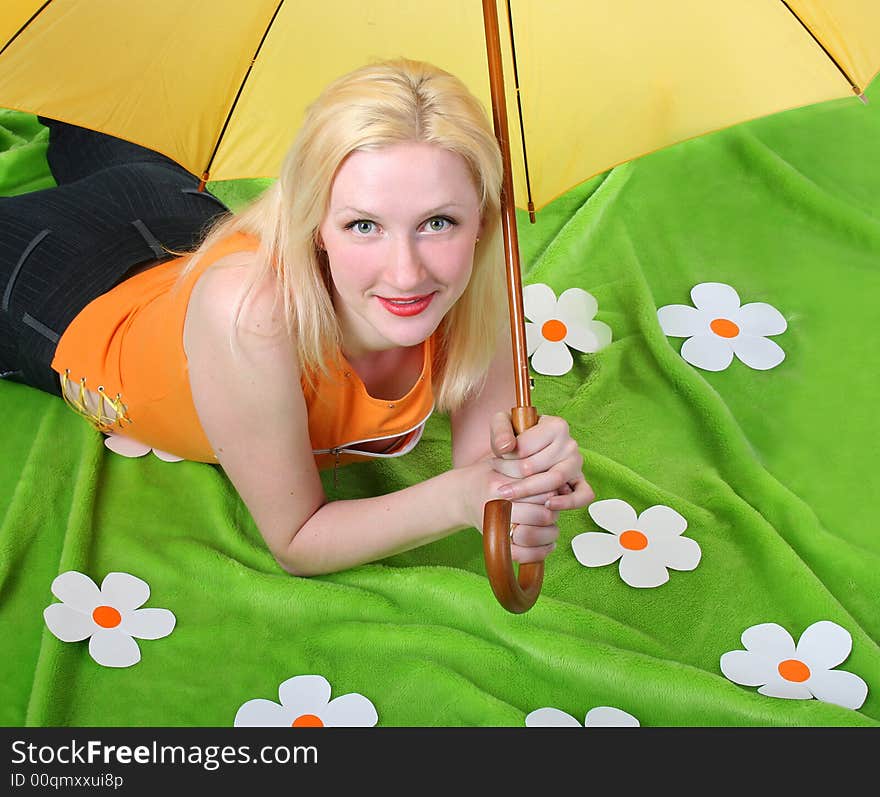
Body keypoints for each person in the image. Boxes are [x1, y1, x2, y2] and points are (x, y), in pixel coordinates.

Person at [0, 58, 594, 576]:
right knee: (87, 80)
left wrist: (521, 486)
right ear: (313, 227)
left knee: (105, 104)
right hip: (62, 289)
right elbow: (298, 540)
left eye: (438, 222)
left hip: (176, 221)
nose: (408, 274)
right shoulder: (252, 317)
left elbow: (489, 476)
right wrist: (463, 499)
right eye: (364, 224)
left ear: (483, 222)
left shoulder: (483, 284)